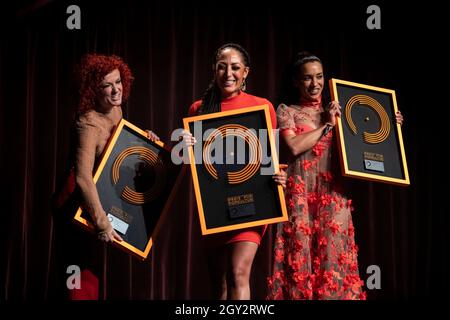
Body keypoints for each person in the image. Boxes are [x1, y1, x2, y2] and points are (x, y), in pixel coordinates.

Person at [266, 52, 403, 300]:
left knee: (334, 263)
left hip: (333, 196)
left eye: (319, 77)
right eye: (307, 78)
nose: (314, 83)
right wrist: (327, 125)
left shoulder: (341, 110)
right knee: (299, 263)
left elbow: (367, 142)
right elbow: (295, 146)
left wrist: (390, 126)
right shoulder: (288, 111)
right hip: (301, 196)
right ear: (296, 81)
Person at [183, 43, 286, 300]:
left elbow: (268, 159)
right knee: (218, 285)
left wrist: (279, 176)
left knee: (238, 273)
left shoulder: (263, 107)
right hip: (214, 206)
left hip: (252, 204)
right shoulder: (198, 109)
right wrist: (184, 149)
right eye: (222, 67)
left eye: (235, 67)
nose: (228, 73)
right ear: (214, 70)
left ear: (246, 72)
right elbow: (192, 167)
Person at [52, 54, 159, 300]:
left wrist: (145, 139)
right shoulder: (87, 124)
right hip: (74, 206)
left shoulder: (115, 110)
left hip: (95, 203)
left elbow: (117, 149)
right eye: (106, 85)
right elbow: (82, 178)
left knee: (93, 273)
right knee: (78, 278)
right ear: (93, 90)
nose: (115, 90)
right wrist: (102, 223)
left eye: (118, 82)